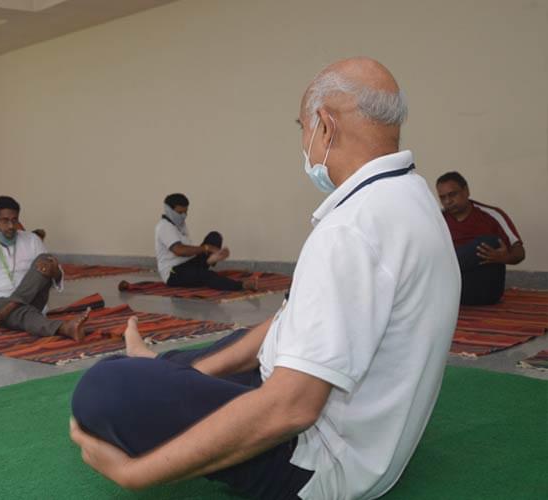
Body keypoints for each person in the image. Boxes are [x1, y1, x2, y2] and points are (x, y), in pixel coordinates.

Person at [70, 57, 461, 500]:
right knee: (231, 344)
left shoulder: (352, 231)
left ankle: (151, 372)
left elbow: (292, 409)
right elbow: (284, 326)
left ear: (325, 127)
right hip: (371, 445)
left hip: (314, 463)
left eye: (302, 127)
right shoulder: (413, 199)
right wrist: (184, 374)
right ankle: (160, 368)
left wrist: (136, 474)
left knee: (104, 387)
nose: (303, 142)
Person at [0, 196, 88, 341]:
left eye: (15, 220)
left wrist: (54, 271)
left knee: (44, 260)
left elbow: (57, 275)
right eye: (5, 220)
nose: (11, 226)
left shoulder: (31, 240)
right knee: (22, 314)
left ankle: (6, 313)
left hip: (33, 299)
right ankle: (63, 327)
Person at [436, 171, 525, 305]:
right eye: (442, 198)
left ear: (466, 191)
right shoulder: (437, 220)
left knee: (490, 242)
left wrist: (504, 258)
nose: (448, 201)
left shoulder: (492, 215)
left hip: (485, 287)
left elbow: (519, 252)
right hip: (454, 288)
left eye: (452, 194)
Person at [148, 193, 256, 291]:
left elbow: (189, 251)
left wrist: (210, 254)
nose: (184, 216)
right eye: (180, 212)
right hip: (174, 273)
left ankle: (209, 261)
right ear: (169, 211)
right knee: (207, 275)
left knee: (214, 236)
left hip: (189, 264)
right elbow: (179, 250)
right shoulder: (164, 227)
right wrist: (206, 248)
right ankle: (241, 285)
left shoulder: (180, 225)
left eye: (186, 212)